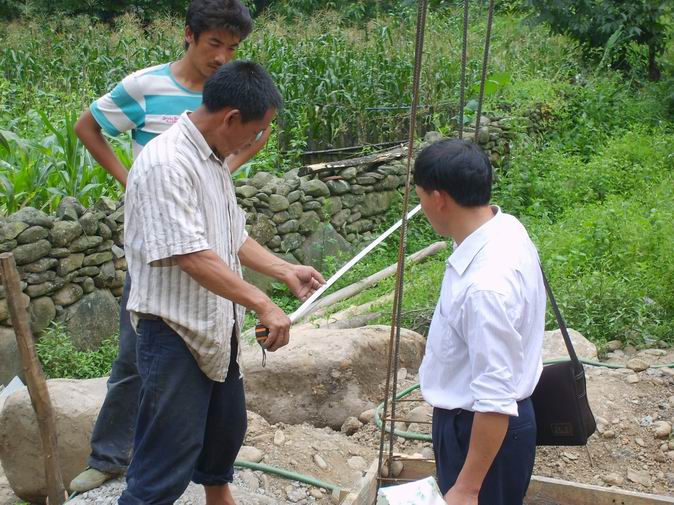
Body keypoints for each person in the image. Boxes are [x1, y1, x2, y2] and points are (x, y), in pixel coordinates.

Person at [71, 0, 268, 492]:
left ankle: (204, 481)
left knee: (219, 411)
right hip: (163, 269)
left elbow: (226, 227)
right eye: (215, 43)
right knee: (138, 364)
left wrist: (281, 272)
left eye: (233, 47)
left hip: (204, 276)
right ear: (189, 35)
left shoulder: (222, 115)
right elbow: (88, 127)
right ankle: (110, 456)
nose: (222, 56)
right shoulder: (150, 96)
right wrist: (131, 180)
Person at [118, 60, 324, 504]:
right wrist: (262, 303)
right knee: (164, 464)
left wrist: (284, 270)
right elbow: (191, 255)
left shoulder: (213, 160)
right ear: (231, 118)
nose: (256, 141)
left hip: (216, 326)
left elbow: (232, 237)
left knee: (225, 430)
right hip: (174, 331)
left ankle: (218, 496)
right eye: (256, 131)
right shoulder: (166, 163)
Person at [414, 139, 545, 505]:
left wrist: (468, 487)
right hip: (480, 426)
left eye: (420, 197)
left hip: (481, 432)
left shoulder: (486, 286)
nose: (421, 207)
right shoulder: (503, 228)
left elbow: (495, 397)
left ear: (439, 198)